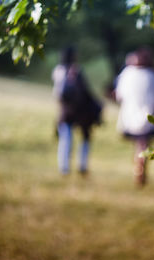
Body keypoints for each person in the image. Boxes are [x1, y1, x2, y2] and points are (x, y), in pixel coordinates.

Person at [115, 47, 154, 186]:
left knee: (139, 144)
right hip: (148, 114)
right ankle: (140, 168)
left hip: (129, 115)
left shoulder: (126, 73)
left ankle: (138, 168)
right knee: (143, 144)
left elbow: (119, 95)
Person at [51, 46, 102, 175]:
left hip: (65, 110)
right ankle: (82, 165)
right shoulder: (76, 71)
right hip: (80, 111)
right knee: (82, 138)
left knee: (65, 139)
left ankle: (64, 167)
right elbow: (85, 90)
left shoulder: (58, 71)